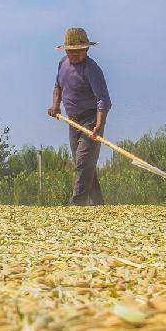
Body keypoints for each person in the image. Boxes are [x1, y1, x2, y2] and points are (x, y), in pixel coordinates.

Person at [47, 27, 111, 206]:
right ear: (66, 50)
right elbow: (57, 87)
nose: (74, 55)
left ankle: (77, 204)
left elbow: (103, 99)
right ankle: (98, 204)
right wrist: (55, 105)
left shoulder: (92, 69)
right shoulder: (62, 64)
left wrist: (99, 124)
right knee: (84, 164)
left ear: (86, 50)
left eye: (78, 51)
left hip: (91, 121)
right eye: (70, 51)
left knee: (82, 163)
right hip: (73, 121)